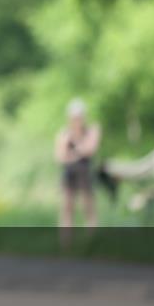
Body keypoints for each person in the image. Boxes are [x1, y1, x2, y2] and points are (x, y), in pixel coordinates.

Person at [54, 99, 100, 239]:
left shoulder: (91, 130)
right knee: (67, 207)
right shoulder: (64, 133)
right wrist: (78, 151)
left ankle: (92, 239)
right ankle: (66, 242)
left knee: (88, 206)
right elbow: (59, 156)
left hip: (85, 171)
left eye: (79, 117)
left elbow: (90, 149)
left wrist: (73, 152)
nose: (76, 120)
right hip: (69, 172)